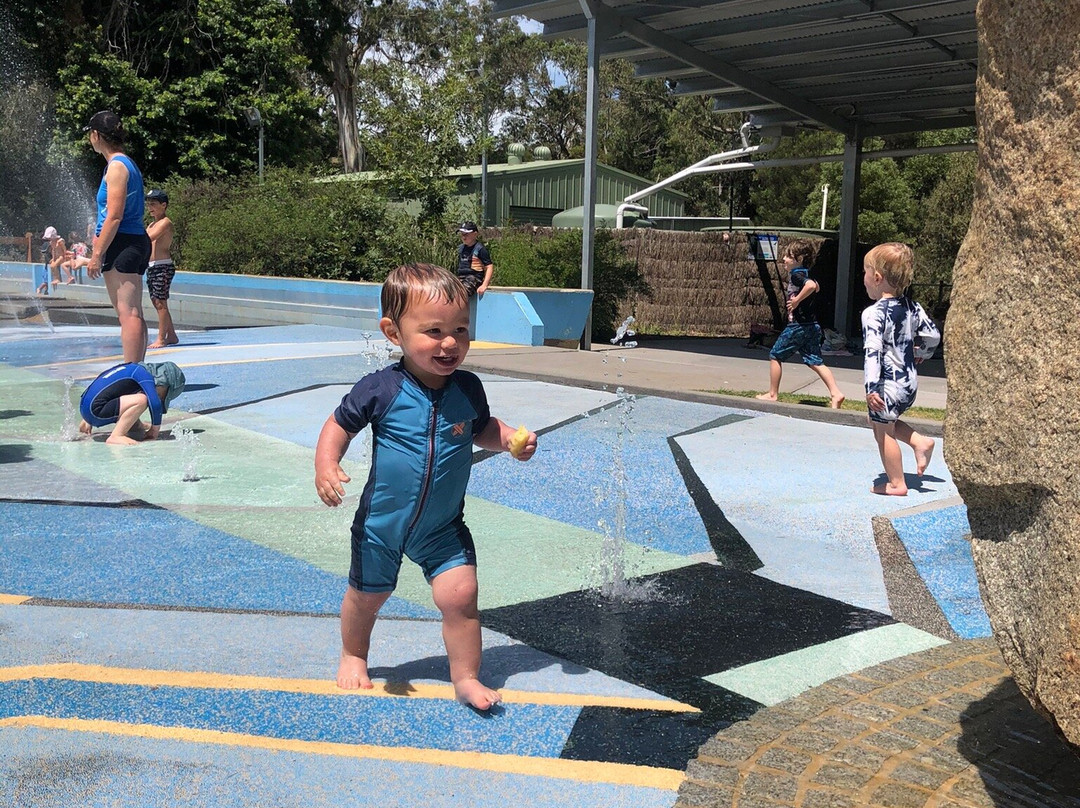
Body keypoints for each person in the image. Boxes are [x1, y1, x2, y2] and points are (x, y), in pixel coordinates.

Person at [314, 262, 536, 711]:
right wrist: (326, 463)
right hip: (383, 523)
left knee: (462, 596)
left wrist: (510, 440)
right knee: (368, 595)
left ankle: (466, 677)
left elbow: (481, 428)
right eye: (433, 331)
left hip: (442, 526)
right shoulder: (381, 388)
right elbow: (338, 424)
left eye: (460, 329)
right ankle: (354, 654)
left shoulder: (467, 388)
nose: (450, 342)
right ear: (393, 333)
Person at [861, 242, 941, 496]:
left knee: (883, 432)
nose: (863, 278)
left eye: (865, 272)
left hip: (887, 384)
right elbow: (933, 335)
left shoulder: (873, 314)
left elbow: (872, 353)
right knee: (883, 420)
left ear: (876, 277)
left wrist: (871, 388)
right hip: (908, 383)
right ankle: (920, 441)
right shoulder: (913, 308)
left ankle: (897, 483)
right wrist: (921, 353)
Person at [85, 110, 152, 363]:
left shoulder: (116, 167)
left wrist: (97, 254)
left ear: (96, 135)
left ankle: (131, 371)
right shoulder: (126, 163)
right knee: (134, 312)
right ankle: (137, 367)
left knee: (128, 314)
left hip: (122, 242)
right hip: (132, 240)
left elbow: (114, 216)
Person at [755, 238, 845, 408]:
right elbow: (816, 286)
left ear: (800, 259)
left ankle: (772, 394)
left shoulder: (797, 276)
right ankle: (836, 393)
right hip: (812, 326)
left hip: (799, 326)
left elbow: (811, 286)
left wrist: (796, 301)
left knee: (775, 355)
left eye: (788, 256)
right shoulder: (807, 273)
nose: (784, 259)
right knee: (815, 361)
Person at [78, 360, 185, 446]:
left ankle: (135, 425)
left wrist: (87, 418)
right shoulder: (146, 376)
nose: (161, 398)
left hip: (88, 407)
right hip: (95, 411)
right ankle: (117, 435)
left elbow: (104, 385)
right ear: (164, 384)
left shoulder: (132, 368)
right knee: (142, 400)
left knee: (133, 396)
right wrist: (154, 430)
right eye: (164, 395)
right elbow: (155, 403)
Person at [145, 188, 178, 348]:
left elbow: (149, 238)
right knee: (156, 301)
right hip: (152, 267)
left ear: (163, 205)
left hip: (163, 266)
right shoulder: (151, 224)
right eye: (148, 204)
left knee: (160, 302)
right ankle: (171, 335)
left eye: (153, 204)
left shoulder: (165, 223)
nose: (150, 207)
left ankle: (161, 338)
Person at [455, 221, 493, 338]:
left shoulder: (480, 249)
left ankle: (458, 319)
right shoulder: (461, 248)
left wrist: (484, 284)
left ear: (475, 234)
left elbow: (489, 266)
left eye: (466, 233)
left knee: (461, 294)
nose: (463, 236)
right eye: (462, 233)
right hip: (461, 276)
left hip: (474, 277)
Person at [35, 227, 68, 294]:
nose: (49, 239)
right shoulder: (52, 243)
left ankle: (57, 279)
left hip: (61, 256)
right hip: (56, 257)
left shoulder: (60, 241)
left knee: (55, 265)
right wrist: (53, 258)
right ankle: (56, 278)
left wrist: (65, 256)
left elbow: (64, 250)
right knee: (52, 265)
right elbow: (53, 251)